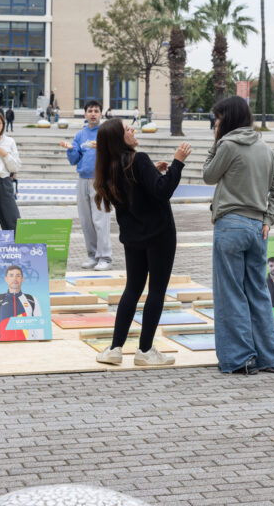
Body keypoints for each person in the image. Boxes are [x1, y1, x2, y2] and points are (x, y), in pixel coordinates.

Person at [203, 95, 274, 375]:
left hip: (230, 225)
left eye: (218, 118)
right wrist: (268, 219)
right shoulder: (265, 148)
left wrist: (215, 142)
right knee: (258, 292)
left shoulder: (228, 145)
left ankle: (240, 358)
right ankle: (272, 356)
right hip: (257, 228)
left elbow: (208, 175)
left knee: (231, 294)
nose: (216, 123)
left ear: (227, 119)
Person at [91, 118, 192, 367]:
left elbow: (140, 188)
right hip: (160, 235)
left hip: (133, 237)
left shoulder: (110, 168)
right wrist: (178, 163)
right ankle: (145, 350)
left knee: (132, 289)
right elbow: (163, 190)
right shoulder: (138, 159)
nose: (133, 130)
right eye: (127, 129)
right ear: (119, 138)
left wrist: (151, 172)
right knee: (156, 290)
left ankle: (115, 348)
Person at [63, 100, 113, 270]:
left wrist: (103, 148)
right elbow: (74, 160)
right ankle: (92, 256)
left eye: (96, 111)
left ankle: (105, 257)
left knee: (100, 220)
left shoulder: (106, 133)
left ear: (101, 114)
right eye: (90, 111)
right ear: (85, 114)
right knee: (86, 221)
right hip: (83, 180)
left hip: (100, 180)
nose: (93, 114)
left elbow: (115, 155)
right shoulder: (80, 135)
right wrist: (71, 149)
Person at [0, 265, 43, 341]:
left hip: (27, 345)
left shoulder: (31, 300)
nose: (14, 279)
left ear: (22, 279)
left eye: (18, 276)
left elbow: (39, 328)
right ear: (6, 279)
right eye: (11, 275)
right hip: (5, 345)